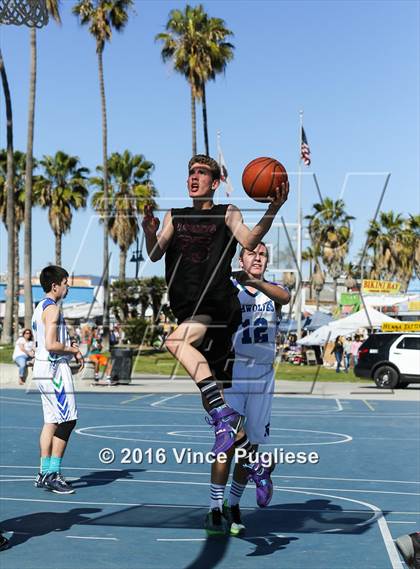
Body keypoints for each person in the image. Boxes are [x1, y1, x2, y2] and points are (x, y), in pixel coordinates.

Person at [142, 154, 289, 503]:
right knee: (216, 405)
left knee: (175, 343)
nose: (194, 177)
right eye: (190, 172)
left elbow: (250, 241)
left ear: (215, 181)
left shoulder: (228, 212)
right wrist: (148, 231)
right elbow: (154, 254)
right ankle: (256, 463)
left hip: (217, 306)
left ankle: (226, 424)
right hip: (189, 308)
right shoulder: (174, 217)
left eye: (201, 173)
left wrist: (273, 209)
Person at [205, 242, 290, 535]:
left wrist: (257, 282)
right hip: (234, 372)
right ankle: (215, 508)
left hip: (264, 376)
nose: (258, 257)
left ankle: (233, 503)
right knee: (228, 443)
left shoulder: (273, 291)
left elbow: (286, 296)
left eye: (263, 254)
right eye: (252, 253)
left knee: (250, 447)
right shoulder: (229, 287)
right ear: (240, 259)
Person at [32, 265, 84, 494]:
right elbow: (52, 344)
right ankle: (53, 474)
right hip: (53, 370)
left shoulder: (39, 307)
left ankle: (44, 472)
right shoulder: (52, 309)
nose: (68, 286)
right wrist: (72, 350)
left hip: (43, 368)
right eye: (66, 282)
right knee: (68, 420)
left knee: (51, 420)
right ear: (55, 285)